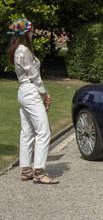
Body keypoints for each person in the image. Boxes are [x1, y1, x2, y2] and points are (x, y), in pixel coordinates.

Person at [7, 19, 59, 184]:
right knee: (43, 132)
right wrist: (45, 93)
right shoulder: (23, 50)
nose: (33, 34)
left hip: (24, 91)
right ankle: (39, 171)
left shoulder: (17, 50)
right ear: (25, 33)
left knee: (27, 131)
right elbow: (34, 75)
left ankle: (26, 169)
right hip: (30, 91)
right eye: (31, 31)